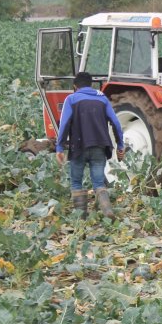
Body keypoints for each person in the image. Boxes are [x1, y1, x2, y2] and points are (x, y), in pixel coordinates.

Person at [56, 72, 125, 219]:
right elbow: (116, 123)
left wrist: (60, 148)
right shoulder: (102, 99)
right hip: (100, 146)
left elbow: (64, 125)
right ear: (91, 84)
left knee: (76, 182)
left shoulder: (72, 99)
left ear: (75, 86)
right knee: (99, 182)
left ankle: (81, 219)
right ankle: (107, 210)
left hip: (78, 148)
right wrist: (120, 146)